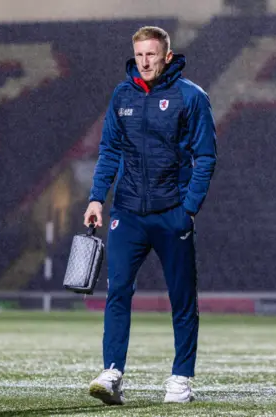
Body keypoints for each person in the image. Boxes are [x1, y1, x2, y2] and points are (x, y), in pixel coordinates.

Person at [83, 25, 217, 405]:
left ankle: (181, 380)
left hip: (172, 214)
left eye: (151, 55)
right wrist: (96, 199)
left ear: (167, 56)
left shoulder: (191, 97)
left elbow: (205, 156)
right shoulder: (121, 94)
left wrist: (188, 209)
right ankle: (112, 374)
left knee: (182, 298)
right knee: (118, 292)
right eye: (139, 54)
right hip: (127, 212)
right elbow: (109, 150)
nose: (144, 61)